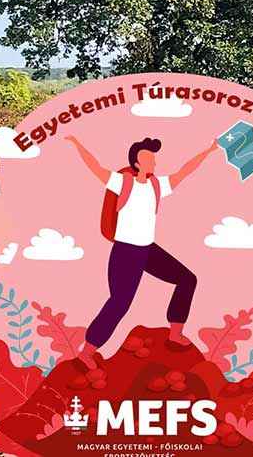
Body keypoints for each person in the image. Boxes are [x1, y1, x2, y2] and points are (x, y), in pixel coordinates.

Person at [65, 134, 217, 370]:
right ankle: (88, 351)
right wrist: (77, 144)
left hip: (148, 249)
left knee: (187, 279)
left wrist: (209, 151)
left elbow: (185, 171)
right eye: (149, 159)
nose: (154, 163)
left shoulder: (157, 185)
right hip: (126, 252)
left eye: (154, 159)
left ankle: (175, 333)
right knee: (119, 303)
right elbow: (95, 166)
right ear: (136, 162)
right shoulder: (122, 182)